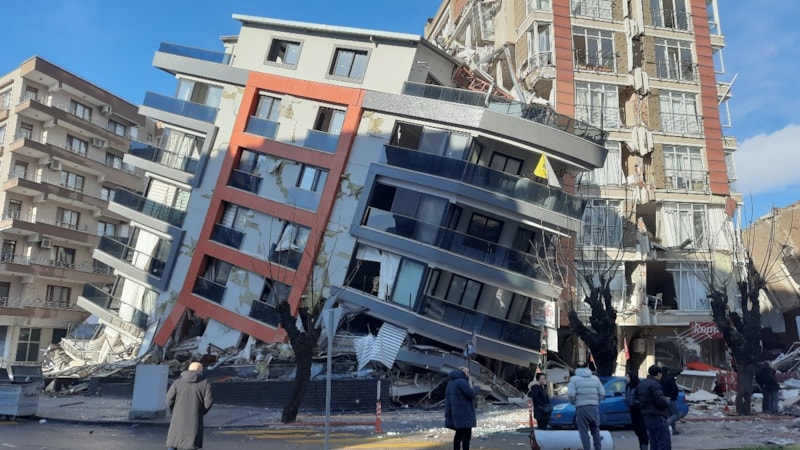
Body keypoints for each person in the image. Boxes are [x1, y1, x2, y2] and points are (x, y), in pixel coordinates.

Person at [166, 362, 214, 450]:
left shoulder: (177, 382)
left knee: (173, 444)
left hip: (177, 419)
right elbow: (209, 402)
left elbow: (169, 400)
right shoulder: (205, 383)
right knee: (191, 444)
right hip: (194, 421)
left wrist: (174, 412)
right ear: (200, 370)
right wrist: (200, 412)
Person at [567, 361, 605, 450]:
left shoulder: (574, 379)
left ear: (576, 368)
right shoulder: (595, 379)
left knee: (583, 431)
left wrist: (574, 402)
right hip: (594, 407)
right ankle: (598, 448)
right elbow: (602, 394)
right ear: (587, 367)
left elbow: (571, 395)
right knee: (595, 430)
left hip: (581, 408)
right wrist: (596, 401)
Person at [445, 366, 479, 450]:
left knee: (458, 434)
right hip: (464, 413)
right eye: (467, 372)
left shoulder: (451, 382)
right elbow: (470, 394)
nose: (468, 374)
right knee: (466, 437)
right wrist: (476, 388)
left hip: (455, 413)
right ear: (463, 372)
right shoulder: (462, 382)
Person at [638, 365, 671, 450]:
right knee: (662, 441)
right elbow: (660, 401)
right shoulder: (655, 384)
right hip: (657, 415)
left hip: (646, 416)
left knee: (653, 441)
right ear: (658, 374)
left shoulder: (642, 383)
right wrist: (666, 402)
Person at [626, 371, 649, 450]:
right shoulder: (628, 386)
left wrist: (636, 402)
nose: (626, 378)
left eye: (628, 377)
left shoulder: (639, 386)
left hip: (639, 410)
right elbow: (628, 396)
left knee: (642, 429)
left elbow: (642, 398)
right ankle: (641, 445)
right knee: (636, 429)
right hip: (632, 410)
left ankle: (644, 446)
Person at [659, 367, 680, 435]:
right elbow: (674, 388)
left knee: (669, 415)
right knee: (676, 414)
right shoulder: (670, 378)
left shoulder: (660, 379)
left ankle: (674, 430)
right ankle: (666, 426)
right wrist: (674, 396)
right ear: (668, 371)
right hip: (670, 399)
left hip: (663, 399)